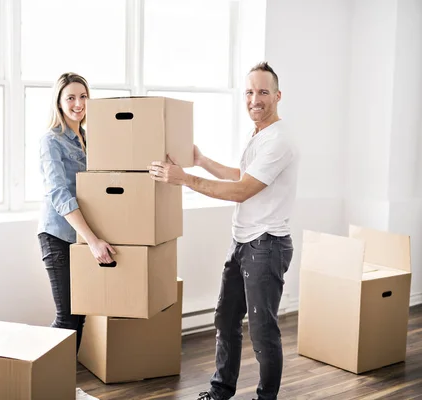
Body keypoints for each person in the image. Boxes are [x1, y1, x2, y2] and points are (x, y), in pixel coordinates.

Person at [149, 62, 299, 400]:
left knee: (263, 332)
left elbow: (241, 191)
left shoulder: (280, 140)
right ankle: (221, 390)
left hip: (267, 245)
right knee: (225, 318)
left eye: (262, 92)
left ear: (277, 95)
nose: (254, 99)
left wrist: (183, 179)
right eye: (249, 92)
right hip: (244, 240)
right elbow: (240, 175)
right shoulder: (259, 133)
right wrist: (201, 161)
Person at [37, 72, 115, 353]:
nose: (78, 103)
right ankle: (37, 378)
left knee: (78, 315)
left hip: (82, 236)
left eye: (83, 96)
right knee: (67, 317)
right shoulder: (51, 141)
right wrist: (93, 241)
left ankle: (60, 385)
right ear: (59, 102)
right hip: (59, 235)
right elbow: (59, 195)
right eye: (70, 97)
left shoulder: (87, 139)